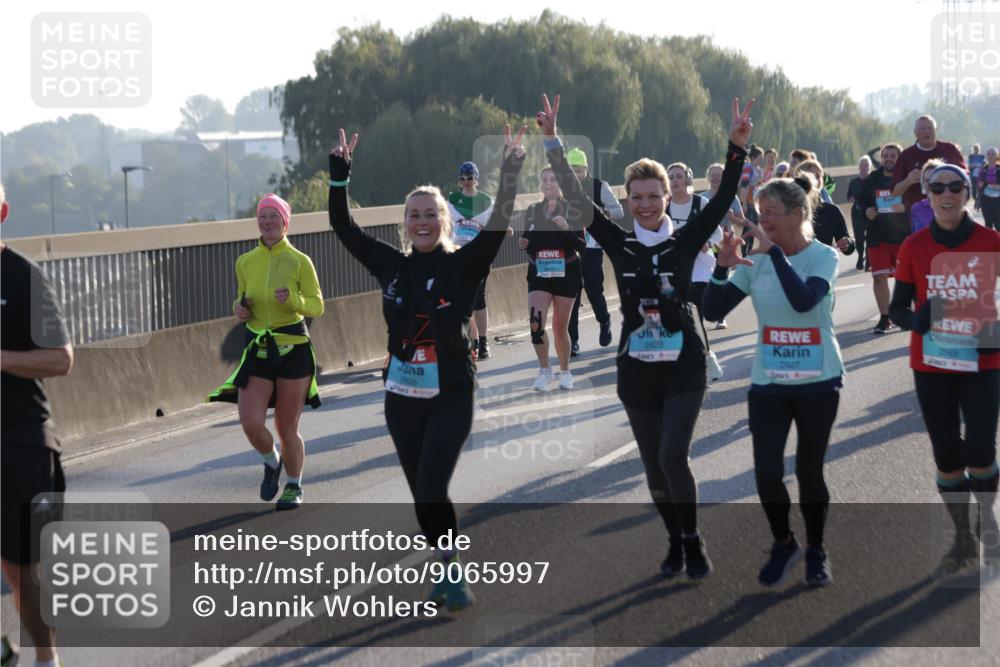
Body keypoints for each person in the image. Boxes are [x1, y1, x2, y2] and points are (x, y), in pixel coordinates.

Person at [537, 92, 755, 579]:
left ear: (665, 198)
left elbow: (721, 199)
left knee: (673, 455)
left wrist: (736, 148)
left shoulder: (685, 238)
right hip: (637, 369)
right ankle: (674, 540)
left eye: (654, 196)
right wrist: (552, 141)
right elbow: (575, 197)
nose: (646, 204)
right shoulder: (619, 241)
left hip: (683, 365)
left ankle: (693, 539)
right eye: (636, 197)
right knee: (653, 467)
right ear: (628, 201)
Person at [328, 125, 527, 609]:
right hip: (401, 396)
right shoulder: (391, 266)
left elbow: (500, 220)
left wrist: (511, 169)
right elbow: (343, 227)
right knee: (421, 491)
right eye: (413, 215)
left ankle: (452, 572)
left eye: (429, 215)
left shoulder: (464, 264)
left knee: (434, 483)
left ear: (444, 220)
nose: (421, 222)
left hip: (453, 392)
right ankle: (445, 562)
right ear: (405, 223)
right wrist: (339, 178)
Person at [703, 172, 844, 588]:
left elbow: (804, 302)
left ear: (798, 215)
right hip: (769, 382)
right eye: (760, 213)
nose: (763, 222)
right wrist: (722, 270)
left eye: (772, 214)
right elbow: (713, 311)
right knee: (766, 472)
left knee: (808, 471)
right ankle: (784, 542)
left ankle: (817, 550)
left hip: (819, 380)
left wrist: (775, 256)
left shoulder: (823, 257)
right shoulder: (758, 258)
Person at [888, 164, 1000, 574]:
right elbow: (898, 308)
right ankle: (961, 536)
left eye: (956, 187)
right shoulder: (914, 246)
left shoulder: (991, 241)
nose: (946, 193)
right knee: (947, 454)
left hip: (985, 361)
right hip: (932, 363)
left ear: (968, 193)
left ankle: (987, 520)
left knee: (981, 450)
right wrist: (917, 319)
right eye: (938, 187)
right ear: (927, 195)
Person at [208, 193, 324, 510]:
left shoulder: (300, 261)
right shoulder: (245, 262)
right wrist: (239, 309)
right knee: (250, 422)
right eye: (263, 217)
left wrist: (294, 303)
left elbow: (317, 304)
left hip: (294, 348)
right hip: (258, 347)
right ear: (257, 222)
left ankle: (294, 485)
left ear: (285, 222)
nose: (268, 222)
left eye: (274, 216)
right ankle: (272, 461)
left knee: (286, 427)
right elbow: (241, 298)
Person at [1, 182, 73, 667]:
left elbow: (62, 359)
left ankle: (45, 658)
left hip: (20, 440)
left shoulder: (22, 276)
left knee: (22, 569)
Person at [521, 165, 586, 390]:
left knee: (560, 327)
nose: (549, 183)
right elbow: (530, 242)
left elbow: (582, 246)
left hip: (566, 272)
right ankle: (544, 370)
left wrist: (567, 228)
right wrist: (526, 245)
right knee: (535, 323)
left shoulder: (573, 209)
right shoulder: (532, 210)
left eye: (553, 179)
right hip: (539, 272)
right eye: (545, 179)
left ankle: (565, 371)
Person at [667, 162, 725, 379]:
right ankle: (692, 361)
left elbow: (717, 235)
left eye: (679, 176)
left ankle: (707, 360)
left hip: (700, 269)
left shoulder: (700, 203)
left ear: (687, 179)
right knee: (678, 318)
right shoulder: (664, 207)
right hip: (675, 270)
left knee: (696, 316)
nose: (674, 181)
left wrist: (707, 243)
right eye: (671, 177)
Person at [566, 147, 622, 355]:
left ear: (586, 170)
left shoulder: (599, 187)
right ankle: (573, 341)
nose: (575, 175)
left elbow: (619, 211)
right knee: (571, 294)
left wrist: (601, 213)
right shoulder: (563, 188)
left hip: (592, 246)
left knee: (593, 290)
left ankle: (604, 320)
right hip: (570, 248)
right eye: (571, 170)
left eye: (578, 170)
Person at [447, 161, 495, 358]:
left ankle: (483, 341)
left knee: (478, 300)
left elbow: (493, 225)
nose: (467, 181)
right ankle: (470, 340)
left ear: (477, 179)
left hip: (479, 254)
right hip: (458, 253)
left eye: (470, 177)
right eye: (463, 178)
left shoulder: (486, 201)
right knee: (461, 299)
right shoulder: (453, 199)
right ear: (459, 180)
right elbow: (446, 223)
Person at [859, 143, 907, 334]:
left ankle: (905, 313)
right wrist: (866, 211)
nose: (888, 159)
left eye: (893, 156)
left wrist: (907, 208)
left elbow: (921, 201)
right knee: (879, 277)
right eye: (885, 155)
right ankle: (885, 318)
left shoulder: (905, 178)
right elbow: (860, 202)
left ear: (899, 158)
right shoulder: (873, 179)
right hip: (877, 237)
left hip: (902, 236)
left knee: (906, 278)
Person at [699, 162, 745, 330]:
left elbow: (742, 221)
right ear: (708, 178)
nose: (716, 177)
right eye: (713, 174)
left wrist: (731, 217)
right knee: (706, 274)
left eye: (720, 174)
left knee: (721, 275)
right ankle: (702, 313)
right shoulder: (702, 198)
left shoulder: (731, 197)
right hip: (708, 241)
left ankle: (721, 316)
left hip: (725, 241)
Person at [891, 115, 967, 215]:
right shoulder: (906, 155)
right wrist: (908, 181)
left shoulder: (950, 150)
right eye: (922, 129)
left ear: (936, 130)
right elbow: (894, 193)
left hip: (948, 211)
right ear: (915, 133)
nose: (926, 132)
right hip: (918, 215)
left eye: (929, 128)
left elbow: (965, 179)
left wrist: (946, 177)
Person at [794, 160, 855, 255]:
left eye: (818, 176)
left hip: (823, 265)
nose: (815, 180)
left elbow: (848, 245)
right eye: (810, 176)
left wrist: (847, 243)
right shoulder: (789, 210)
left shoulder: (832, 210)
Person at [847, 156, 873, 270]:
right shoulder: (854, 182)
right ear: (858, 167)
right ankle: (860, 256)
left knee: (870, 236)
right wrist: (851, 198)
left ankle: (868, 259)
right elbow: (849, 197)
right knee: (859, 238)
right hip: (857, 212)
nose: (863, 167)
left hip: (871, 211)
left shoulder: (873, 180)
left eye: (866, 165)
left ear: (869, 167)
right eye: (861, 165)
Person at [910, 159, 944, 234]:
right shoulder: (916, 208)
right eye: (927, 180)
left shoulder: (954, 207)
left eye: (934, 179)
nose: (930, 184)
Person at [978, 147, 1000, 231]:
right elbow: (979, 184)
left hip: (998, 199)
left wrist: (998, 186)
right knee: (988, 222)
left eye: (993, 154)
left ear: (996, 156)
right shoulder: (983, 169)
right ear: (986, 156)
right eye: (989, 154)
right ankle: (989, 241)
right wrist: (981, 185)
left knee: (998, 223)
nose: (991, 156)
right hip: (986, 199)